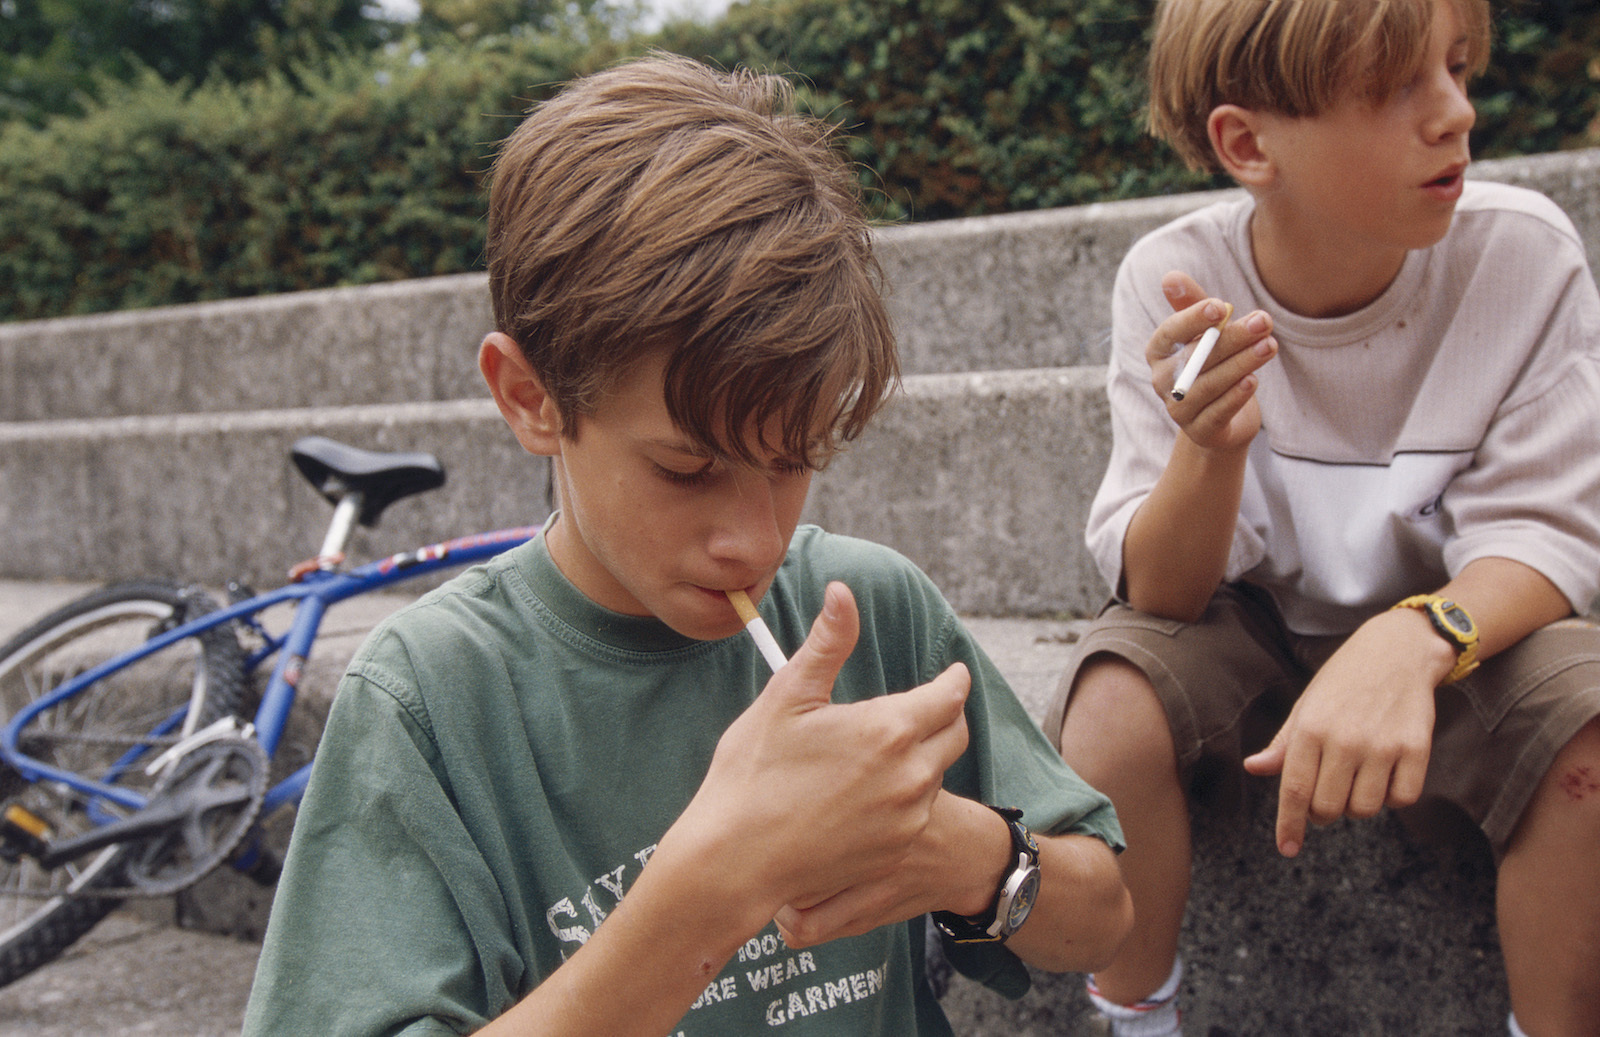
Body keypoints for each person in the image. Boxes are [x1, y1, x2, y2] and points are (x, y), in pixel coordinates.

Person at [242, 53, 1131, 1037]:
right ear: (531, 398)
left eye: (792, 459)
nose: (750, 537)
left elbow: (1102, 918)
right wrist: (707, 889)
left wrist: (965, 855)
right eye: (684, 467)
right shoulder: (433, 695)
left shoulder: (865, 609)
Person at [1047, 1, 1600, 1034]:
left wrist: (1416, 636)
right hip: (1250, 630)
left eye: (1457, 66)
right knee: (1113, 704)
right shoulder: (1177, 286)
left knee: (1589, 732)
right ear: (1247, 143)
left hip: (1468, 641)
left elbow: (1549, 534)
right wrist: (1209, 447)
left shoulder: (1521, 256)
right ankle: (1134, 1022)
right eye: (1397, 86)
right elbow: (1164, 594)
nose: (1455, 115)